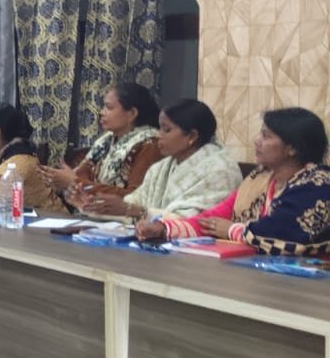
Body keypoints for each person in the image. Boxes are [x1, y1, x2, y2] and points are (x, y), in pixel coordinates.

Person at [137, 107, 330, 255]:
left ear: (292, 148)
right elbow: (214, 218)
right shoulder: (259, 177)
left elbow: (280, 233)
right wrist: (164, 228)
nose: (257, 140)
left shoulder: (318, 183)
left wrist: (231, 229)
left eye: (266, 136)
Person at [77, 99, 241, 221]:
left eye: (166, 130)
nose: (158, 135)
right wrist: (90, 206)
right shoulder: (161, 168)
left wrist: (133, 210)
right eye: (160, 128)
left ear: (192, 136)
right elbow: (133, 206)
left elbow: (196, 222)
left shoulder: (221, 170)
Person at [42, 81, 163, 203]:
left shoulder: (149, 145)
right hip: (90, 211)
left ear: (132, 113)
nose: (102, 112)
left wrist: (74, 182)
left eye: (109, 107)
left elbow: (135, 197)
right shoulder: (105, 142)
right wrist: (59, 179)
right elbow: (81, 176)